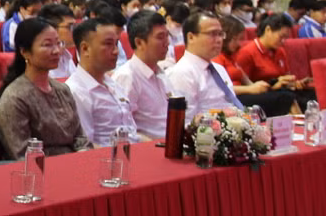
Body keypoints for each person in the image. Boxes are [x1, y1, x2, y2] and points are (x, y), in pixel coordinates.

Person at [0, 17, 91, 159]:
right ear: (25, 52)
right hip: (41, 172)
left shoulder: (63, 90)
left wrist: (82, 156)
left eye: (59, 43)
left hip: (76, 164)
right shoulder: (14, 98)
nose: (57, 50)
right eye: (47, 45)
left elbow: (81, 139)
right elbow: (22, 155)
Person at [66, 17, 139, 147]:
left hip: (132, 152)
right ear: (85, 49)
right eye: (108, 44)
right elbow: (86, 146)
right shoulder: (75, 91)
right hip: (108, 160)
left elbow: (132, 134)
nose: (116, 51)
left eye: (116, 44)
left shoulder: (112, 83)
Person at [215, 15, 298, 119]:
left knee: (289, 93)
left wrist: (262, 86)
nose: (239, 44)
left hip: (245, 93)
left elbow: (247, 81)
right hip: (232, 97)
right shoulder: (217, 58)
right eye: (235, 40)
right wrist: (250, 89)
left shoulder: (231, 57)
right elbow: (220, 88)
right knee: (285, 97)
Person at [166, 12, 244, 122]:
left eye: (220, 34)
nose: (219, 40)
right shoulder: (181, 73)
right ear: (191, 37)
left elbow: (231, 104)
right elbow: (187, 122)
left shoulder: (219, 69)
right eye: (212, 34)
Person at [233, 13, 314, 109]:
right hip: (261, 95)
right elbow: (247, 86)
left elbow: (285, 77)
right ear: (268, 30)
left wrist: (295, 83)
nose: (283, 41)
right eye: (281, 37)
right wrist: (274, 86)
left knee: (312, 95)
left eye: (286, 38)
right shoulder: (247, 52)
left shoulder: (280, 51)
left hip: (280, 90)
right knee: (288, 98)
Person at [110, 11, 171, 139]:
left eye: (167, 36)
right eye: (160, 37)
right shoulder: (127, 76)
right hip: (148, 148)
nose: (167, 43)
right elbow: (121, 128)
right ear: (139, 42)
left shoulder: (161, 73)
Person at [38, 3, 77, 79]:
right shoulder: (41, 61)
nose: (75, 31)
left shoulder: (66, 55)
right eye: (70, 27)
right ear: (52, 29)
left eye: (75, 26)